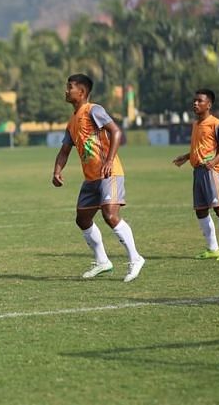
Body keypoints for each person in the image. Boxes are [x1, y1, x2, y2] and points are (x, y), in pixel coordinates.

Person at [51, 74, 145, 282]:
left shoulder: (94, 110)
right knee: (82, 219)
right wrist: (57, 170)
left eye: (70, 87)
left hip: (109, 173)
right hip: (91, 177)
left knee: (110, 215)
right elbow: (65, 150)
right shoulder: (72, 121)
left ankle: (135, 258)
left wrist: (110, 160)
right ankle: (102, 261)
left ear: (82, 92)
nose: (66, 91)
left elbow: (116, 132)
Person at [172, 89, 219, 261]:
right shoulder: (195, 124)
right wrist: (186, 157)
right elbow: (198, 148)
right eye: (194, 100)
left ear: (209, 104)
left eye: (199, 101)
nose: (195, 103)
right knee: (200, 210)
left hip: (211, 172)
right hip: (197, 171)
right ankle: (213, 248)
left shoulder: (216, 124)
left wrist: (214, 162)